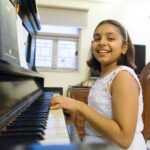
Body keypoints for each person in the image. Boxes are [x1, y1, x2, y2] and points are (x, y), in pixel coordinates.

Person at [50, 19, 147, 150]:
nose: (102, 42)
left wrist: (79, 106)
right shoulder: (104, 76)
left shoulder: (124, 76)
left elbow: (124, 139)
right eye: (97, 38)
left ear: (124, 47)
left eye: (110, 38)